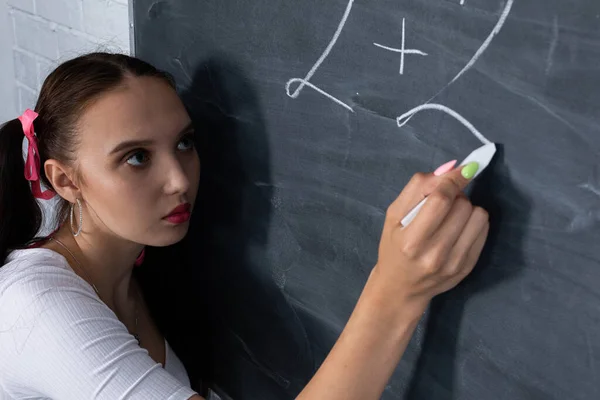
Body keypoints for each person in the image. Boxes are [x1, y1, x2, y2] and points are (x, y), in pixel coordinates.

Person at [0, 52, 489, 400]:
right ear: (65, 181)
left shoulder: (141, 279)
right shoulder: (36, 304)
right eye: (136, 158)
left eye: (185, 143)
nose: (178, 179)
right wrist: (396, 291)